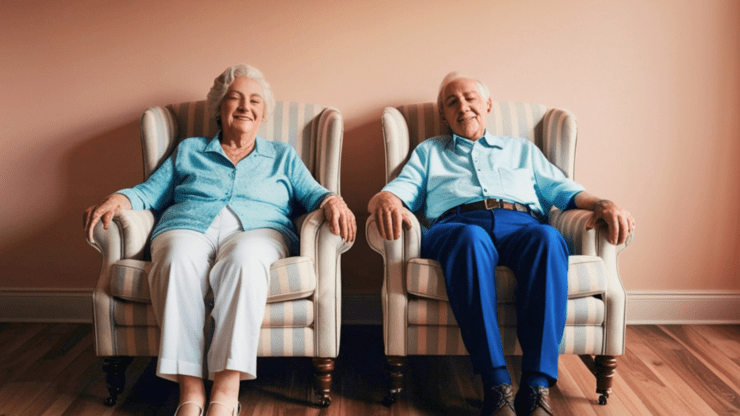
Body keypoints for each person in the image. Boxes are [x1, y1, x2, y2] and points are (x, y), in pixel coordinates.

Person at [84, 64, 356, 416]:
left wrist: (334, 201)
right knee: (176, 259)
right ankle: (191, 390)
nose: (245, 106)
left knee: (244, 261)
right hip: (187, 225)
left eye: (254, 100)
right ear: (219, 108)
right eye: (235, 98)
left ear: (263, 113)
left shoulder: (282, 155)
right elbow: (147, 192)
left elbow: (315, 193)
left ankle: (226, 391)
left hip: (259, 230)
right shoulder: (189, 149)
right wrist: (118, 199)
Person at [368, 72, 634, 416]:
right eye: (452, 102)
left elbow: (565, 191)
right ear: (444, 115)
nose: (462, 107)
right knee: (470, 238)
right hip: (458, 226)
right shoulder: (430, 152)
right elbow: (395, 191)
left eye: (469, 98)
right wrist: (385, 200)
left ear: (488, 105)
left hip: (522, 224)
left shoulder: (522, 149)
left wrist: (603, 203)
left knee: (548, 238)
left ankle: (536, 386)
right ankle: (496, 383)